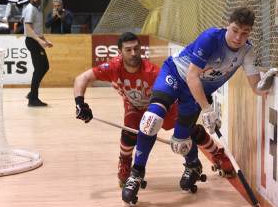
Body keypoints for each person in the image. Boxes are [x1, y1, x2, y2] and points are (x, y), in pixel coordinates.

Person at [121, 7, 278, 206]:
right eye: (235, 30)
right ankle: (136, 174)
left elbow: (256, 87)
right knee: (152, 119)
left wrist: (266, 83)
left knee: (179, 144)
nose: (238, 37)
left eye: (244, 33)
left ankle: (193, 165)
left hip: (195, 92)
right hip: (176, 75)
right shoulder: (211, 37)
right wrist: (207, 109)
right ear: (227, 25)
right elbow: (192, 76)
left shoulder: (247, 52)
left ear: (250, 33)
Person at [74, 32, 232, 188]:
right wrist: (80, 103)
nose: (134, 53)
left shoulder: (152, 72)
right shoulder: (113, 67)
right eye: (128, 50)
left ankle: (217, 154)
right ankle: (124, 161)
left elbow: (181, 86)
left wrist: (199, 98)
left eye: (136, 48)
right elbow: (81, 78)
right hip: (135, 106)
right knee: (129, 132)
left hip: (161, 106)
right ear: (119, 52)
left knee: (188, 130)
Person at [23, 0, 54, 107]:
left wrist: (45, 40)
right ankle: (33, 99)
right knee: (39, 69)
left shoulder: (38, 9)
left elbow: (37, 29)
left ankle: (32, 94)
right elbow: (28, 28)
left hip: (37, 40)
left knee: (44, 66)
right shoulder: (30, 9)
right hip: (32, 41)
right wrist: (39, 41)